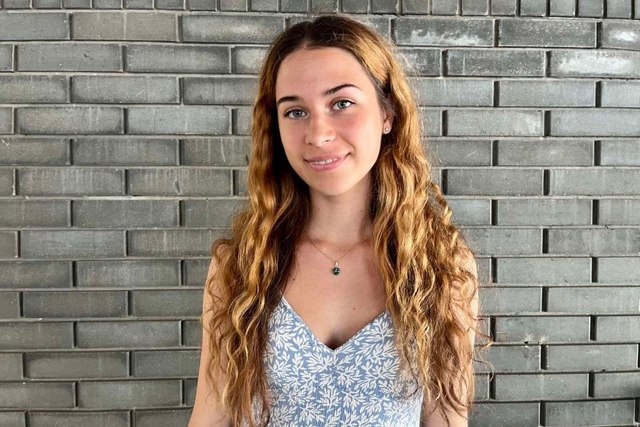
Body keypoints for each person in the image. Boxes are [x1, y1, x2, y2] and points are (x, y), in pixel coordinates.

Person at [189, 14, 487, 427]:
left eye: (341, 103)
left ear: (388, 113)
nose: (318, 134)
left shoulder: (441, 266)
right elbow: (211, 417)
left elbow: (447, 422)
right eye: (295, 111)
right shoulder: (241, 267)